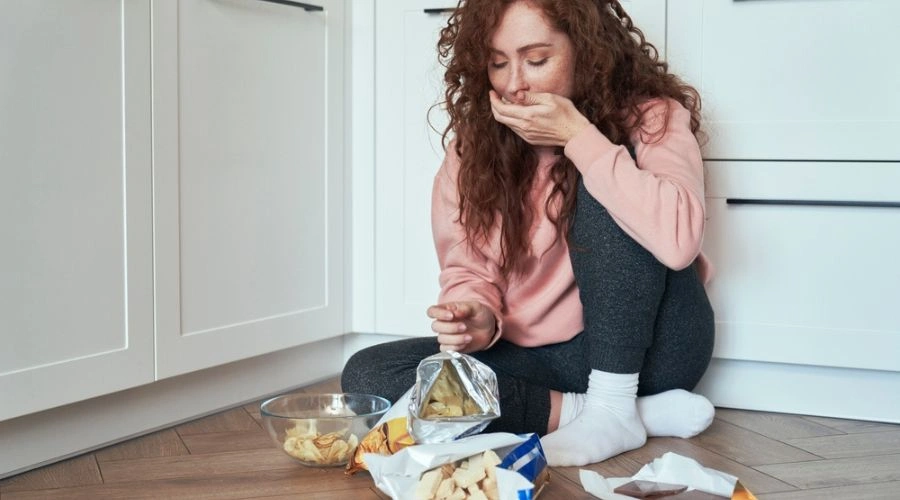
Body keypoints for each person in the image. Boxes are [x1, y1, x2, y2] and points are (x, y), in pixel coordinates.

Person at [342, 0, 715, 467]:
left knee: (606, 181)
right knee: (369, 375)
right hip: (540, 362)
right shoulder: (472, 149)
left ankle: (614, 400)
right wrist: (477, 315)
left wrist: (580, 138)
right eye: (498, 63)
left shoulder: (652, 117)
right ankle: (597, 413)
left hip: (652, 350)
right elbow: (467, 267)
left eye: (536, 60)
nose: (515, 84)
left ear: (587, 51)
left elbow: (679, 243)